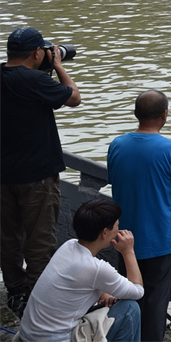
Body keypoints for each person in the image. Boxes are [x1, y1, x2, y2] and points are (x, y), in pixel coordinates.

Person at [1, 26, 82, 317]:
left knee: (7, 237)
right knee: (40, 240)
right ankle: (38, 298)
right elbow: (74, 98)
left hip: (3, 176)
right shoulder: (35, 81)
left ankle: (15, 291)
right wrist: (58, 65)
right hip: (36, 177)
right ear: (37, 53)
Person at [107, 90, 171, 342]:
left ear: (136, 113)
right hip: (161, 237)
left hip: (125, 235)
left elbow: (113, 179)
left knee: (129, 293)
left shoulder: (117, 145)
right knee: (156, 299)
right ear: (165, 115)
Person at [18, 199, 143, 342]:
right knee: (130, 308)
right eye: (117, 226)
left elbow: (85, 278)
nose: (118, 231)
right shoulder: (96, 268)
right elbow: (138, 291)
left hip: (27, 336)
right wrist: (128, 251)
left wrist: (103, 293)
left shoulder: (68, 246)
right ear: (104, 232)